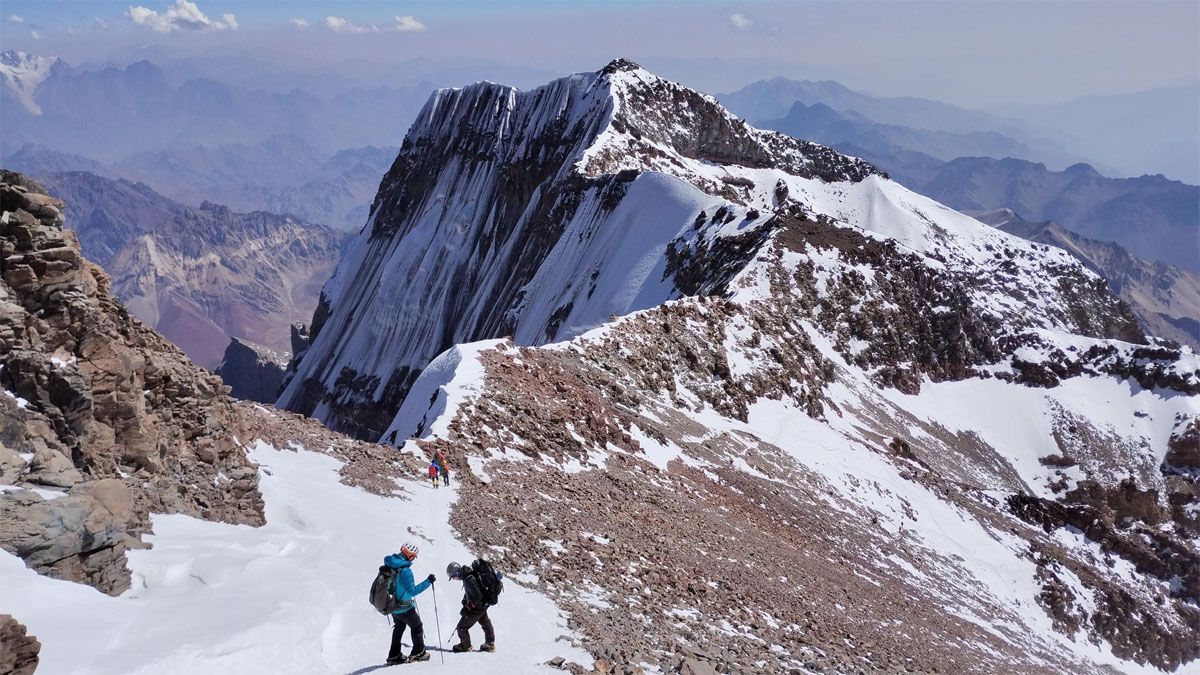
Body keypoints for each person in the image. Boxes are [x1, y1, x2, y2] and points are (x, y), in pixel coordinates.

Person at [384, 542, 436, 664]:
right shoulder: (405, 570)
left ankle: (394, 656)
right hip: (404, 607)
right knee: (417, 626)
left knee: (399, 627)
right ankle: (418, 653)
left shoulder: (389, 564)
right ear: (411, 556)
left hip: (392, 605)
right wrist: (428, 581)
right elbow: (412, 591)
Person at [447, 561, 496, 653]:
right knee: (485, 622)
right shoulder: (469, 575)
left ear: (457, 573)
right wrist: (465, 600)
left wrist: (470, 605)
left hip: (477, 607)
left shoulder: (468, 578)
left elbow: (478, 595)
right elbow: (472, 591)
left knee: (462, 627)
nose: (454, 579)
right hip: (482, 606)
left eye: (453, 577)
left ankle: (465, 646)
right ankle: (490, 643)